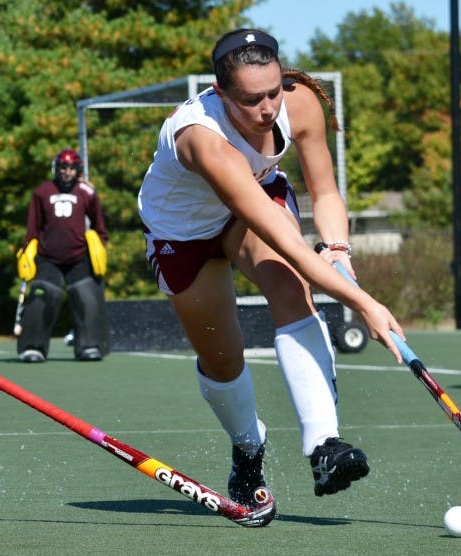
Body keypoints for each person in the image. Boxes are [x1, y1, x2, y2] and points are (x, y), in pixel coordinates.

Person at [137, 29, 405, 521]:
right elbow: (287, 240)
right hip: (183, 233)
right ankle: (248, 449)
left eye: (274, 91)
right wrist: (362, 302)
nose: (267, 109)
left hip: (250, 209)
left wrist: (339, 249)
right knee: (223, 359)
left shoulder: (300, 105)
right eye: (250, 99)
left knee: (288, 286)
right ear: (221, 94)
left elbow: (324, 193)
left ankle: (324, 444)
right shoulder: (203, 140)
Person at [16, 148, 110, 362]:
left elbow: (99, 226)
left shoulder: (88, 193)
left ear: (78, 170)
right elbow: (33, 228)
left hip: (80, 258)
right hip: (48, 258)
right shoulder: (42, 192)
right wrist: (27, 251)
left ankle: (89, 346)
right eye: (63, 167)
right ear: (55, 168)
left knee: (86, 297)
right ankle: (33, 347)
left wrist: (99, 245)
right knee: (43, 295)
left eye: (71, 168)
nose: (67, 172)